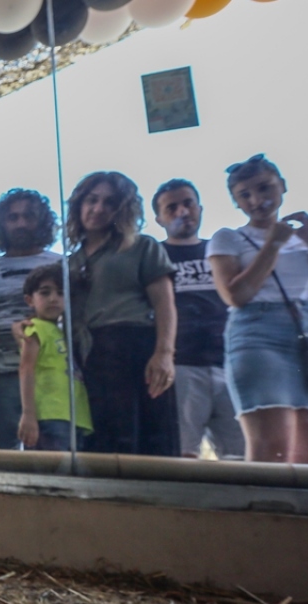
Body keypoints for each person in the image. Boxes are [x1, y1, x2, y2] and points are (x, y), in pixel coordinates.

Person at [207, 154, 308, 464]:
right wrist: (272, 244)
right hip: (259, 332)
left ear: (282, 185)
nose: (256, 200)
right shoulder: (229, 238)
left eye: (264, 188)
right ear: (236, 202)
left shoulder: (302, 239)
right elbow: (236, 295)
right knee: (271, 449)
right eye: (245, 195)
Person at [67, 171, 179, 457]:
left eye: (109, 202)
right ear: (79, 204)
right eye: (92, 200)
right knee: (100, 442)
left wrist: (164, 353)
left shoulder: (141, 246)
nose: (98, 208)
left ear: (122, 209)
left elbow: (164, 303)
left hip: (135, 347)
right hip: (88, 356)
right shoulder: (70, 263)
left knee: (149, 441)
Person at [153, 179, 245, 460]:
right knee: (182, 455)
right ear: (159, 218)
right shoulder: (154, 256)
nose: (182, 211)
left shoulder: (221, 253)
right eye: (171, 207)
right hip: (181, 365)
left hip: (231, 363)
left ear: (200, 208)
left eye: (188, 203)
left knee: (243, 457)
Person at [0, 189, 63, 449]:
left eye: (28, 216)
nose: (21, 223)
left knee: (51, 460)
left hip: (51, 377)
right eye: (13, 217)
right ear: (1, 224)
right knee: (0, 461)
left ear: (42, 221)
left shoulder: (62, 266)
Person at [16, 264, 92, 451]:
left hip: (75, 415)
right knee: (52, 467)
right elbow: (26, 369)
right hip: (49, 414)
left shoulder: (67, 332)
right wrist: (28, 414)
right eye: (45, 293)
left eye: (60, 293)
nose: (53, 299)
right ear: (29, 300)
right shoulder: (34, 328)